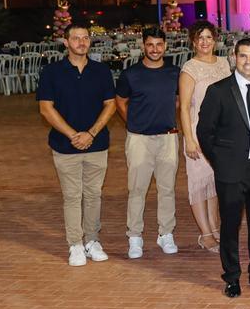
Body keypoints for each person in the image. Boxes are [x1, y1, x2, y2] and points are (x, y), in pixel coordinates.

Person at [196, 37, 250, 297]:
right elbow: (204, 131)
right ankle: (232, 277)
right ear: (234, 56)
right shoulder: (218, 90)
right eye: (243, 56)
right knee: (230, 226)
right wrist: (220, 161)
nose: (248, 61)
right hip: (231, 171)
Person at [37, 22, 117, 267]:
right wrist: (74, 135)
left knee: (93, 195)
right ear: (66, 43)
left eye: (85, 38)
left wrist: (91, 133)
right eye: (76, 38)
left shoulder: (101, 71)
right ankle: (75, 244)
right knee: (72, 196)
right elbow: (45, 108)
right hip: (65, 145)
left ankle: (92, 240)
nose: (81, 42)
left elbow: (111, 104)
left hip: (97, 143)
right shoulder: (52, 72)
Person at [114, 27, 180, 259]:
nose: (155, 49)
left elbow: (179, 100)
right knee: (137, 190)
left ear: (165, 46)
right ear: (143, 45)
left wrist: (168, 117)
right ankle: (135, 236)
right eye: (150, 45)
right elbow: (120, 100)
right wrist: (132, 121)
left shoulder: (174, 72)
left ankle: (166, 233)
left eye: (159, 44)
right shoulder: (131, 74)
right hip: (139, 139)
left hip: (168, 137)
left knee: (167, 189)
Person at [178, 21, 230, 253]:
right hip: (198, 132)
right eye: (200, 38)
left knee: (215, 183)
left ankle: (214, 227)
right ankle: (205, 234)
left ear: (215, 40)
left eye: (209, 37)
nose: (205, 42)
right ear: (193, 42)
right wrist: (189, 138)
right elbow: (183, 107)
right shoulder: (190, 68)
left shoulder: (224, 64)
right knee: (199, 183)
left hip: (222, 132)